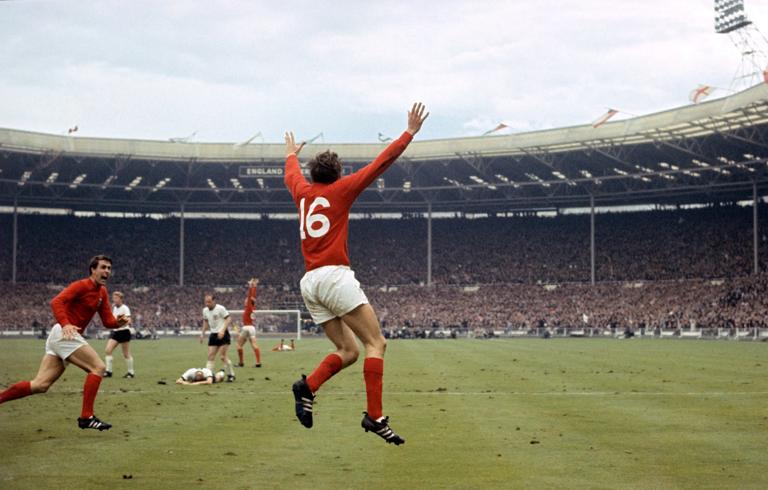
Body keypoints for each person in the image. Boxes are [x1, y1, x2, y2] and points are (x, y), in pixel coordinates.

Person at [283, 102, 429, 445]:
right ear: (337, 174)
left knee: (347, 351)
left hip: (310, 283)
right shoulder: (341, 190)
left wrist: (290, 154)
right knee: (375, 343)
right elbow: (380, 164)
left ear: (313, 175)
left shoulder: (302, 194)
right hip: (335, 277)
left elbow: (291, 174)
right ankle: (374, 417)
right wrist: (409, 132)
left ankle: (308, 387)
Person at [0, 255, 129, 431]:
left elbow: (107, 321)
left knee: (40, 385)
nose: (107, 271)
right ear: (93, 269)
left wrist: (118, 323)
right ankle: (86, 417)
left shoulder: (102, 292)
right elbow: (56, 301)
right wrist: (66, 323)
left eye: (109, 268)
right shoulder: (81, 285)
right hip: (64, 334)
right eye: (103, 267)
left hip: (62, 336)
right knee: (98, 368)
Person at [199, 294, 236, 382]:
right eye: (206, 302)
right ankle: (209, 376)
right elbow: (205, 322)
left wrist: (222, 330)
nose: (207, 304)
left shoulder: (220, 308)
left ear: (214, 301)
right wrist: (202, 333)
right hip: (213, 335)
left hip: (223, 334)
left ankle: (231, 375)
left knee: (223, 357)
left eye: (209, 302)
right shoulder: (205, 311)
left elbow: (228, 319)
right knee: (210, 356)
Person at [104, 291, 135, 378]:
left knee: (126, 354)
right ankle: (108, 371)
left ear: (121, 299)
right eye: (113, 298)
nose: (114, 300)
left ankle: (131, 372)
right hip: (116, 332)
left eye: (116, 298)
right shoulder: (114, 308)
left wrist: (123, 321)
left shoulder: (125, 308)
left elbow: (129, 320)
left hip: (124, 332)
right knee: (108, 350)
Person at [236, 278, 262, 367]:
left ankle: (241, 363)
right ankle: (258, 362)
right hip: (252, 328)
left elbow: (250, 295)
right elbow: (253, 297)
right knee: (254, 345)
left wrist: (250, 286)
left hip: (246, 327)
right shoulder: (253, 308)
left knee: (239, 346)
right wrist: (255, 286)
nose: (245, 300)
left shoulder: (248, 307)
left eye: (246, 300)